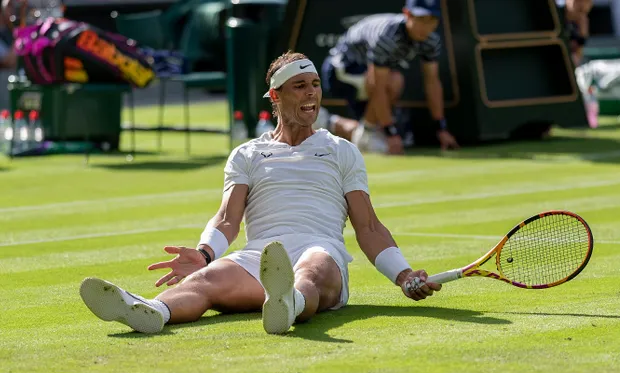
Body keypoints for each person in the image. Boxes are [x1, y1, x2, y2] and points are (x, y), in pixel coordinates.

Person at [79, 51, 442, 335]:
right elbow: (226, 219)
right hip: (261, 258)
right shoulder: (248, 154)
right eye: (299, 85)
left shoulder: (341, 149)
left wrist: (402, 274)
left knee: (312, 269)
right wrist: (205, 254)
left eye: (315, 83)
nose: (312, 92)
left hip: (321, 250)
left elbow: (369, 228)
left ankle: (289, 302)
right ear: (275, 95)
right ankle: (150, 310)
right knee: (204, 281)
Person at [315, 0, 459, 155]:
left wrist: (441, 128)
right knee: (394, 81)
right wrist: (391, 133)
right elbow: (377, 86)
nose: (426, 26)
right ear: (407, 14)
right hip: (339, 72)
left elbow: (432, 82)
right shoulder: (387, 37)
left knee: (391, 82)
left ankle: (335, 124)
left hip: (363, 74)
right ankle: (366, 135)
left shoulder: (431, 40)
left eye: (432, 20)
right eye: (421, 19)